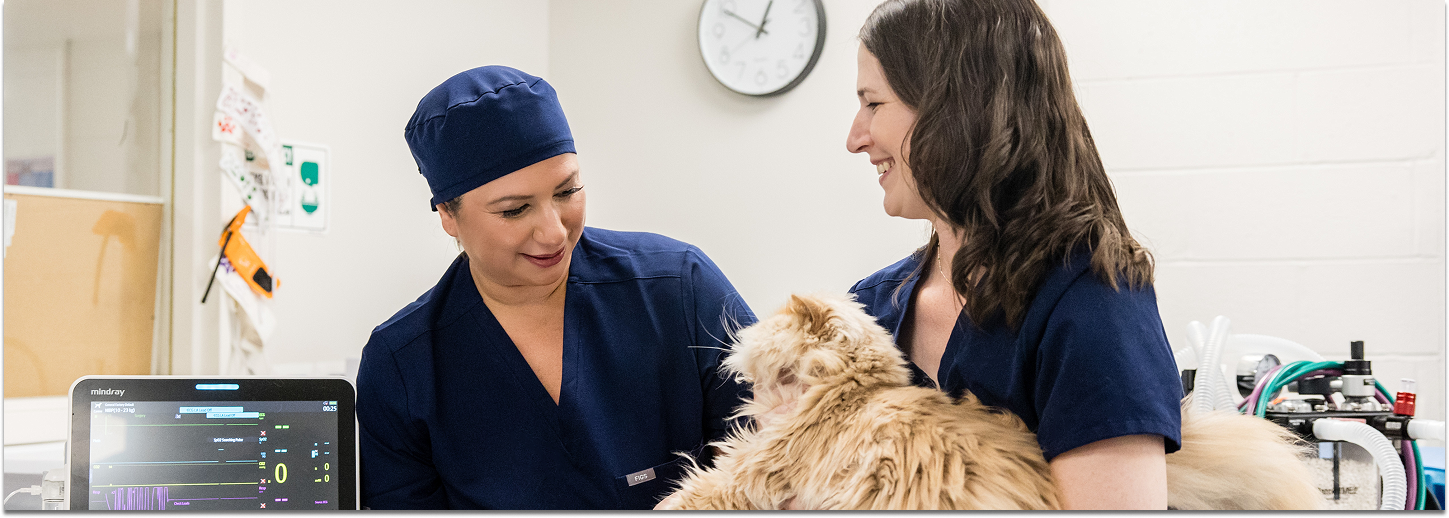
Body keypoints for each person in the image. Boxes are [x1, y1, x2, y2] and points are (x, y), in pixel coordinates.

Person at [356, 66, 754, 510]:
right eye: (514, 210)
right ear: (449, 216)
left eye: (567, 192)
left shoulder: (680, 289)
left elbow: (785, 451)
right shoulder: (403, 365)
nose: (553, 233)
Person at [845, 0, 1182, 509]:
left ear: (956, 108)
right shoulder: (869, 310)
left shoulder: (1091, 302)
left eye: (874, 104)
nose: (855, 138)